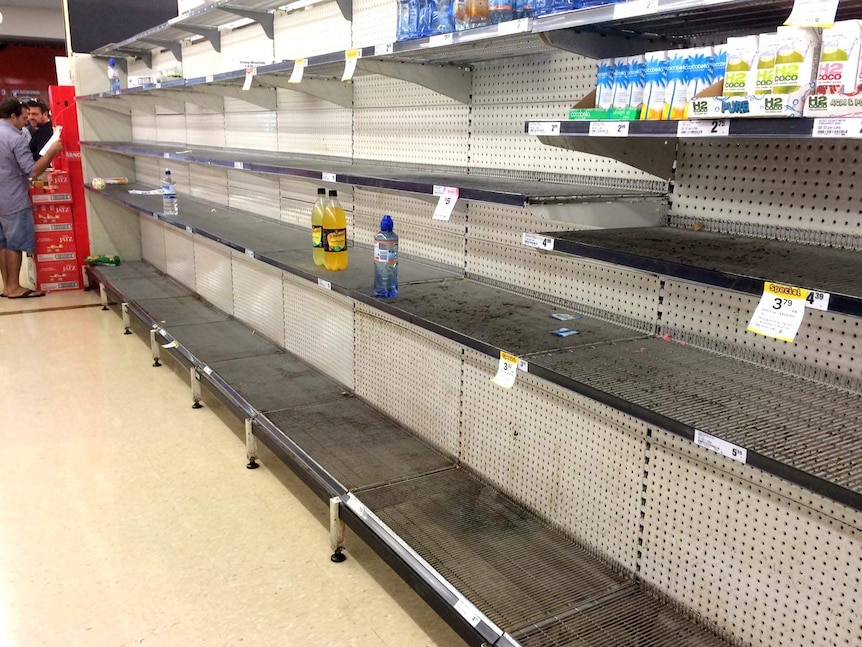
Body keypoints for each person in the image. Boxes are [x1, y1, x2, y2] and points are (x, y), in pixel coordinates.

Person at [0, 98, 62, 298]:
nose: (26, 121)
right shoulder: (15, 138)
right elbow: (32, 171)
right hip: (13, 198)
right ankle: (14, 287)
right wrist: (52, 152)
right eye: (23, 118)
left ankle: (6, 286)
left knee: (2, 243)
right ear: (12, 116)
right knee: (15, 243)